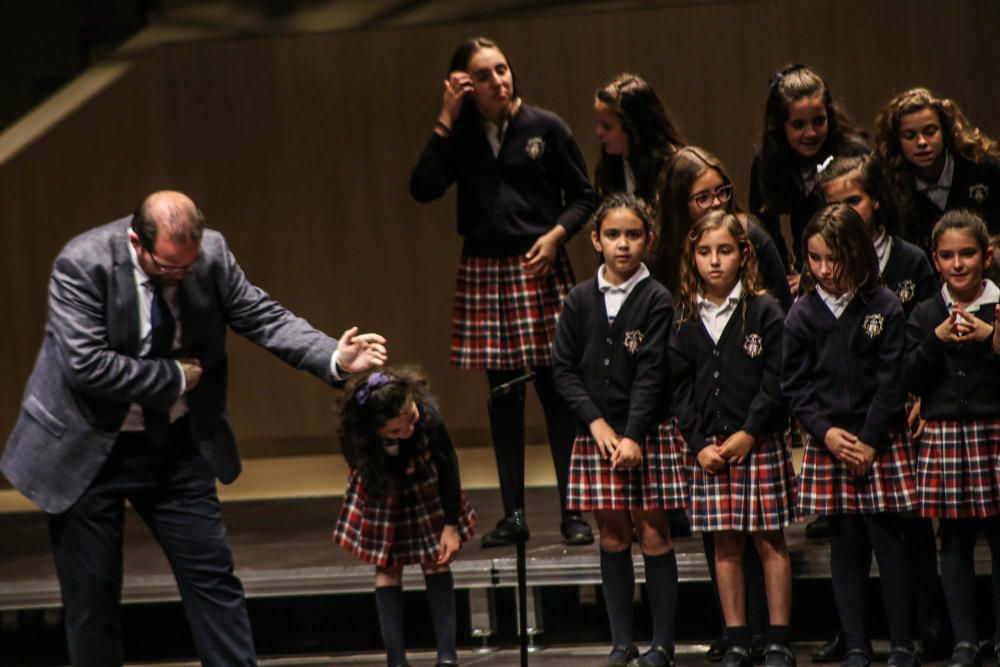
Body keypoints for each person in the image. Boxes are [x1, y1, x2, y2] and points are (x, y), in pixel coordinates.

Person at [0, 191, 388, 666]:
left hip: (175, 444)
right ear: (136, 243)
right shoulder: (82, 263)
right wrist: (174, 378)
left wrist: (333, 356)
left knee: (213, 581)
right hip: (89, 447)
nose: (181, 274)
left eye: (188, 264)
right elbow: (85, 365)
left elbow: (262, 316)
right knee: (92, 600)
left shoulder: (212, 255)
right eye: (168, 267)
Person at [410, 36, 597, 547]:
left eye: (503, 70)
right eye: (485, 75)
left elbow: (584, 195)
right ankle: (514, 514)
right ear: (464, 86)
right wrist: (446, 116)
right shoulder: (461, 135)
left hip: (539, 268)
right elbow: (422, 186)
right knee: (504, 399)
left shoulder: (545, 126)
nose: (499, 81)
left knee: (559, 395)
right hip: (486, 271)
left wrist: (557, 236)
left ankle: (573, 512)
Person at [817, 155, 951, 661]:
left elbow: (927, 334)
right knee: (848, 534)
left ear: (876, 201)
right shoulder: (821, 266)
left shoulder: (910, 260)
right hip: (844, 421)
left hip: (904, 413)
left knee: (908, 530)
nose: (846, 211)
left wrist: (921, 399)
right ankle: (854, 634)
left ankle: (925, 626)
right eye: (835, 203)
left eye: (854, 200)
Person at [654, 145, 785, 662]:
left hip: (757, 442)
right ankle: (734, 637)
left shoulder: (764, 310)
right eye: (705, 253)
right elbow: (677, 386)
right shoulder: (683, 316)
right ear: (691, 256)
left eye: (725, 251)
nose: (715, 261)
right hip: (708, 448)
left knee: (769, 542)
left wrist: (751, 431)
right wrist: (696, 441)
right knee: (725, 544)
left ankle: (775, 637)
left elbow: (777, 379)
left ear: (743, 254)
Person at [780, 203, 919, 667]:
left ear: (856, 253)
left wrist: (870, 439)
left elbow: (892, 377)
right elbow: (795, 385)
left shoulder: (883, 305)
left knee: (888, 542)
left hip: (878, 440)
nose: (823, 269)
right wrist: (826, 433)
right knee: (845, 544)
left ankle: (901, 642)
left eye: (832, 258)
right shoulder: (801, 313)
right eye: (814, 258)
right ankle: (855, 642)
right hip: (832, 443)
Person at [552, 194, 685, 667]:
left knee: (652, 531)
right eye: (613, 235)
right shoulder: (579, 299)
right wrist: (596, 423)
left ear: (647, 240)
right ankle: (622, 642)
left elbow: (654, 372)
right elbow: (563, 369)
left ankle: (663, 644)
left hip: (645, 433)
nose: (622, 244)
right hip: (599, 437)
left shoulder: (657, 298)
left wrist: (632, 434)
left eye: (632, 235)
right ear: (595, 240)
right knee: (611, 535)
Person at [904, 210, 1000, 667]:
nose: (958, 264)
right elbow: (910, 377)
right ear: (935, 260)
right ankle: (964, 639)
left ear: (987, 255)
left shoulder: (999, 308)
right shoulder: (926, 312)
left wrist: (991, 338)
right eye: (947, 256)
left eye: (967, 254)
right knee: (955, 541)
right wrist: (935, 340)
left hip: (994, 431)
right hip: (945, 435)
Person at [334, 367, 476, 667]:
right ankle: (396, 660)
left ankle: (447, 657)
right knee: (388, 567)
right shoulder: (360, 436)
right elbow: (363, 470)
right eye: (396, 431)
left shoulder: (427, 416)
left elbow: (448, 464)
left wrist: (450, 525)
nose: (408, 430)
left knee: (436, 561)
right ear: (376, 429)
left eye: (410, 419)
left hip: (425, 484)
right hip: (382, 488)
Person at [749, 64, 868, 291]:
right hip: (812, 268)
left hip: (860, 264)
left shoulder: (854, 154)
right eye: (798, 125)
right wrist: (785, 275)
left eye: (819, 121)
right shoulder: (767, 161)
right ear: (779, 126)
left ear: (829, 116)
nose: (811, 133)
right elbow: (766, 229)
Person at [875, 87, 1000, 256]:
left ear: (945, 131)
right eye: (910, 136)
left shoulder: (983, 167)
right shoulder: (890, 185)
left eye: (930, 132)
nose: (921, 142)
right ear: (897, 141)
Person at [592, 72, 686, 207]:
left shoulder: (672, 169)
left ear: (634, 127)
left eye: (607, 127)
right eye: (598, 124)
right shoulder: (609, 167)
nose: (598, 132)